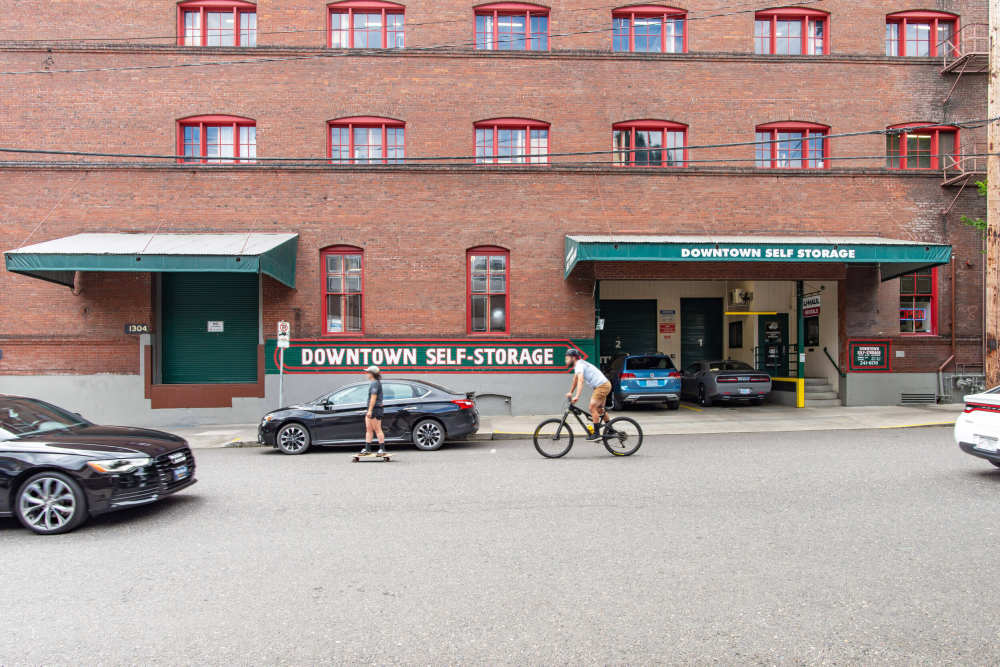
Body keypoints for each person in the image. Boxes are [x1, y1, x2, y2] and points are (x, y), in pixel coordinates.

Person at [565, 349, 612, 440]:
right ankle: (611, 430)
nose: (566, 361)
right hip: (603, 385)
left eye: (567, 358)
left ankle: (596, 434)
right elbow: (575, 380)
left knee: (592, 407)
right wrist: (571, 392)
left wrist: (577, 396)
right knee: (599, 409)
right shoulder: (579, 365)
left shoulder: (579, 365)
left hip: (602, 386)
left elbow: (580, 380)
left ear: (573, 358)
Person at [360, 365, 386, 456]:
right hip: (371, 409)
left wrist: (370, 410)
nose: (366, 373)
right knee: (369, 429)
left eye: (367, 372)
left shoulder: (375, 383)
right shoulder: (373, 382)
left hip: (375, 409)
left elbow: (373, 398)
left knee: (378, 429)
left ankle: (382, 449)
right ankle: (367, 449)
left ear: (372, 374)